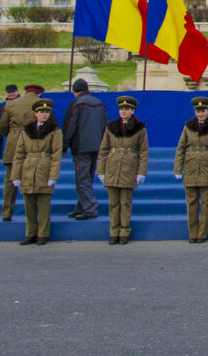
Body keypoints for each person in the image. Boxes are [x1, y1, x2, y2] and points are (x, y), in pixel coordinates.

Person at [97, 95, 148, 245]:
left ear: (132, 111)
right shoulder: (111, 127)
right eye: (121, 109)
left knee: (125, 202)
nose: (123, 111)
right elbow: (104, 149)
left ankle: (124, 231)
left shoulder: (139, 128)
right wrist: (101, 170)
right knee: (113, 202)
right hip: (112, 166)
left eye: (126, 109)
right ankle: (114, 231)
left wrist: (141, 171)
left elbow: (143, 150)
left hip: (129, 167)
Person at [173, 97, 208, 244]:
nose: (200, 113)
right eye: (198, 111)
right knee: (191, 202)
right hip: (191, 166)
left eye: (203, 111)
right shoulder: (188, 126)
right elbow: (181, 148)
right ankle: (193, 232)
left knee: (206, 202)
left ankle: (202, 233)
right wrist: (178, 168)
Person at [11, 98, 62, 245]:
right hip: (28, 168)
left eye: (47, 112)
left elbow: (56, 154)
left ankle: (43, 233)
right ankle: (30, 233)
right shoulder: (27, 130)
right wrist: (16, 174)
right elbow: (19, 153)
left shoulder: (54, 130)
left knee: (44, 204)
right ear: (35, 113)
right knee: (29, 203)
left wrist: (53, 175)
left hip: (44, 166)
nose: (44, 115)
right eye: (41, 112)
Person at [63, 77, 107, 221]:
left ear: (75, 91)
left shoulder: (76, 103)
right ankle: (81, 206)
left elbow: (69, 126)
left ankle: (90, 208)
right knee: (87, 178)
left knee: (82, 179)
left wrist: (64, 145)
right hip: (96, 146)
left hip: (81, 147)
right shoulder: (99, 104)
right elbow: (105, 126)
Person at [0, 84, 42, 221]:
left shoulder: (11, 104)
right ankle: (34, 213)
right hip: (33, 141)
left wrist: (11, 135)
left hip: (13, 142)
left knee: (11, 178)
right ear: (39, 94)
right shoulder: (41, 104)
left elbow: (2, 125)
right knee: (34, 177)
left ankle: (6, 212)